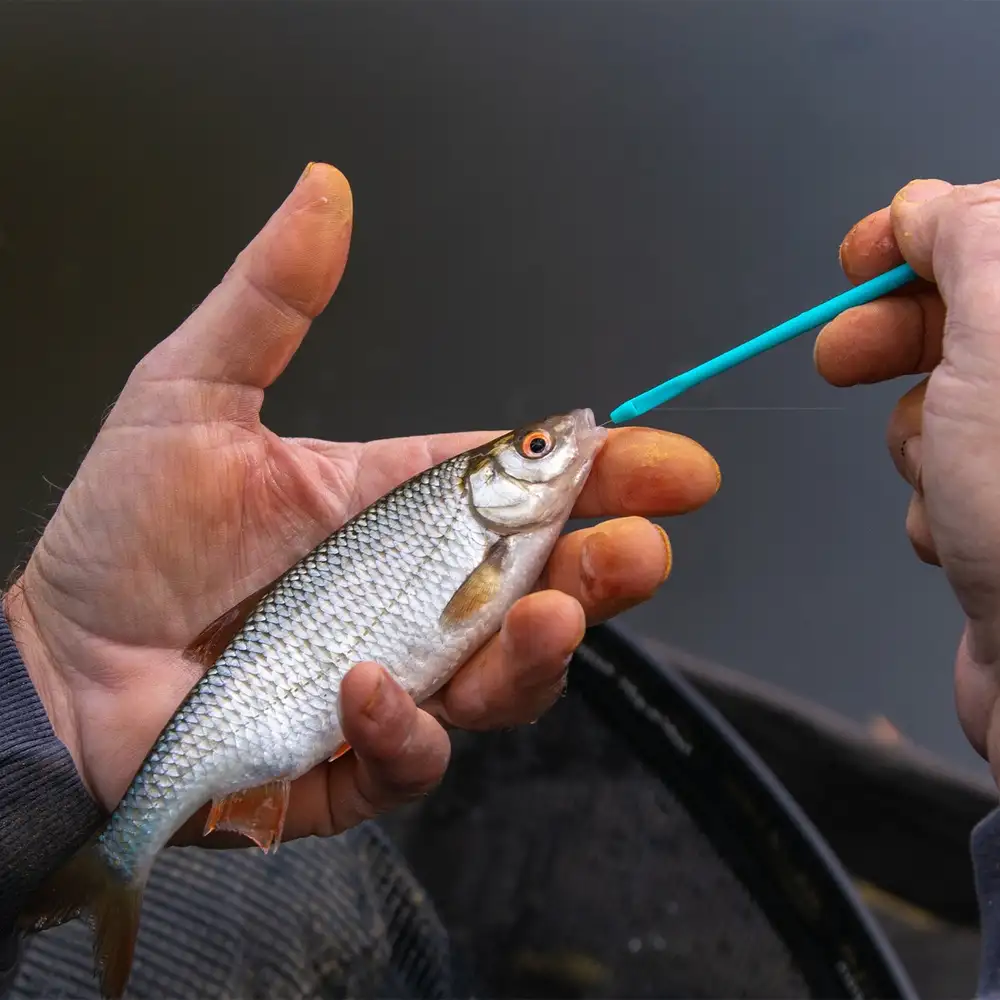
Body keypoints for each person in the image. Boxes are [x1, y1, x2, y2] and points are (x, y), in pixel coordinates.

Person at [0, 167, 996, 996]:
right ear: (495, 483)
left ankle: (96, 843)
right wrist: (50, 675)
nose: (555, 444)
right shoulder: (488, 537)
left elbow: (475, 605)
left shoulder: (499, 534)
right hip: (221, 721)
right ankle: (112, 856)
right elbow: (471, 606)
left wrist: (43, 699)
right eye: (532, 447)